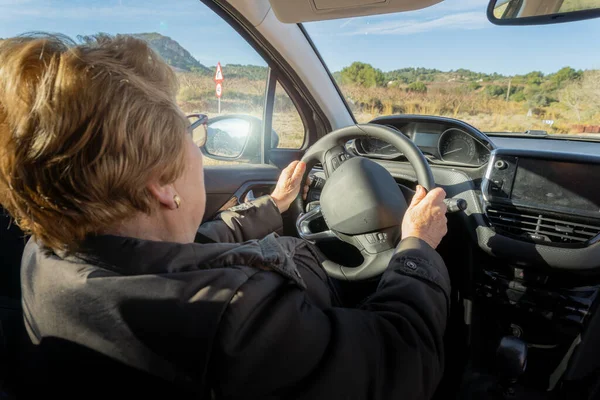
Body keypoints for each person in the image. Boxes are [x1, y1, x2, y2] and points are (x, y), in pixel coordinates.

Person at [0, 34, 449, 400]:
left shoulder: (47, 258)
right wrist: (416, 249)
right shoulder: (233, 314)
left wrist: (273, 206)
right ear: (162, 184)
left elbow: (188, 251)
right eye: (191, 140)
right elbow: (399, 362)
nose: (199, 152)